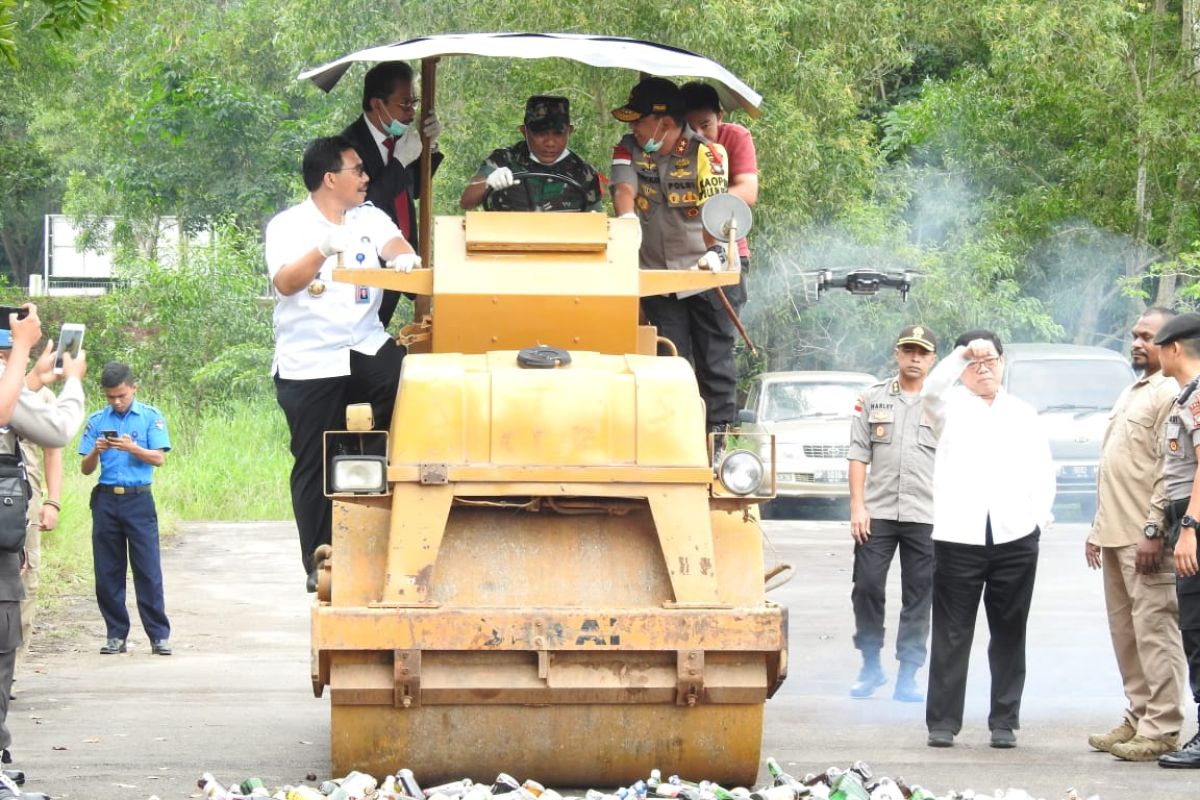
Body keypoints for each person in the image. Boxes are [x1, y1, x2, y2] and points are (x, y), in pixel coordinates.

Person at [265, 135, 417, 590]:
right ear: (331, 178)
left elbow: (393, 243)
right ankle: (319, 558)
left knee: (413, 389)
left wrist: (405, 257)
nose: (366, 177)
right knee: (313, 457)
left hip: (364, 344)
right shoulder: (288, 225)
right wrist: (323, 249)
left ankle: (388, 516)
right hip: (310, 356)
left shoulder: (369, 216)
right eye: (357, 170)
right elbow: (286, 283)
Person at [922, 330, 1055, 749]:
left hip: (1015, 536)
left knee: (1010, 630)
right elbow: (931, 387)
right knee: (952, 631)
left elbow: (1042, 471)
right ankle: (943, 722)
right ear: (962, 370)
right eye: (974, 364)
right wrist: (962, 354)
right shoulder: (948, 408)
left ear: (1003, 363)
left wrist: (1037, 520)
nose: (984, 370)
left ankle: (1004, 721)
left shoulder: (1023, 413)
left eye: (991, 361)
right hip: (958, 536)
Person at [1085, 308, 1187, 762]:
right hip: (1114, 533)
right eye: (1135, 335)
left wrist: (1154, 529)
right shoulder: (1133, 390)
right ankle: (1139, 714)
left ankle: (1162, 727)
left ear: (1171, 342)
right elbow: (1118, 466)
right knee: (1125, 633)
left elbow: (1170, 471)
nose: (1137, 342)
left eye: (1147, 336)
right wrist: (1095, 529)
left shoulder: (1172, 392)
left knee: (1155, 632)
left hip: (1146, 538)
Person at [609, 77, 735, 443]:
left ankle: (718, 440)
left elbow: (715, 210)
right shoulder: (628, 147)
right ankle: (671, 436)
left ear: (664, 122)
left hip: (702, 271)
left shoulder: (707, 155)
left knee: (716, 359)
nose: (633, 127)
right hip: (657, 274)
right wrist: (627, 219)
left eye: (638, 120)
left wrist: (716, 252)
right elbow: (624, 186)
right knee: (669, 358)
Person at [0, 304, 87, 766]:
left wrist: (27, 373)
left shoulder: (13, 378)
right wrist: (73, 378)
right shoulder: (5, 370)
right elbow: (55, 429)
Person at [846, 325, 938, 702]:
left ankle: (909, 675)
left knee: (919, 596)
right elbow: (858, 452)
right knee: (866, 587)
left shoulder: (944, 403)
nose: (915, 358)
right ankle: (870, 665)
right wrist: (857, 505)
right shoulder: (871, 398)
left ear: (933, 359)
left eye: (922, 352)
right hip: (878, 511)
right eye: (908, 351)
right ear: (897, 354)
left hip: (927, 513)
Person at [340, 61, 443, 328]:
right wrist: (398, 163)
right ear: (377, 104)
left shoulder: (402, 138)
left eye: (414, 103)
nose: (411, 113)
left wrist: (430, 150)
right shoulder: (348, 146)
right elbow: (363, 202)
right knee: (365, 333)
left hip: (403, 255)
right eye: (404, 104)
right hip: (368, 262)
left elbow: (417, 190)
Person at [79, 362, 171, 656]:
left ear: (134, 388)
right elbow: (85, 468)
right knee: (108, 571)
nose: (116, 402)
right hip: (106, 500)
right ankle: (115, 634)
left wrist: (133, 449)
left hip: (138, 499)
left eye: (121, 395)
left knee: (147, 570)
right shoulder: (96, 421)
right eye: (110, 397)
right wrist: (96, 450)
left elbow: (158, 459)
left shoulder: (150, 417)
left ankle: (158, 636)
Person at [1148, 311, 1200, 768]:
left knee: (1199, 629)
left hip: (1195, 523)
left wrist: (1190, 530)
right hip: (1186, 519)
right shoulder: (1188, 395)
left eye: (1160, 346)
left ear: (1175, 348)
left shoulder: (1198, 396)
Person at [0, 331, 63, 659]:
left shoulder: (43, 398)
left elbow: (54, 450)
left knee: (27, 578)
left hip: (27, 498)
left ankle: (13, 669)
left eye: (11, 353)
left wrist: (53, 501)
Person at [681, 81, 756, 313]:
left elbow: (748, 191)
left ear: (720, 116)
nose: (699, 135)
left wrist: (707, 200)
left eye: (705, 125)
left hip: (727, 247)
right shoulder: (671, 146)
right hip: (680, 254)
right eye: (690, 128)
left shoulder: (736, 137)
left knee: (719, 340)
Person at [459, 95, 603, 212]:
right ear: (524, 131)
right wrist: (488, 183)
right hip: (505, 244)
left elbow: (597, 225)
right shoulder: (503, 159)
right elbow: (466, 201)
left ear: (569, 132)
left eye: (558, 133)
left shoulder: (584, 173)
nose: (550, 142)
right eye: (541, 133)